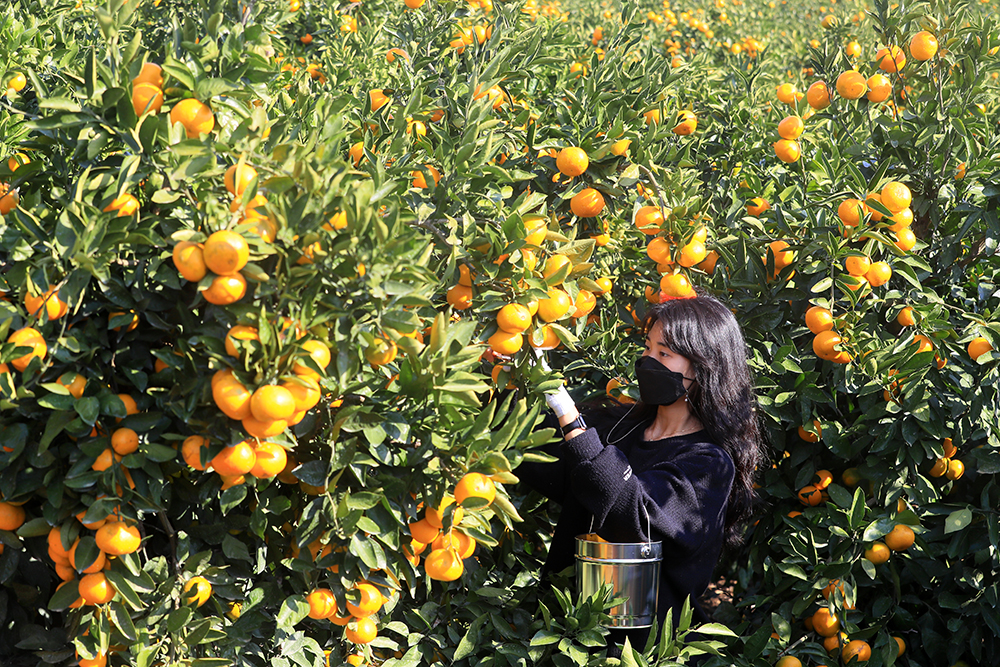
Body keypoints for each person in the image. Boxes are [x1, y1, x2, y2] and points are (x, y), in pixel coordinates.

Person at [518, 293, 765, 657]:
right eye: (648, 348)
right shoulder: (619, 427)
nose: (647, 362)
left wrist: (569, 415)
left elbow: (631, 510)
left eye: (664, 354)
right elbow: (533, 451)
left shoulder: (709, 464)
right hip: (565, 640)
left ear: (703, 366)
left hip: (642, 655)